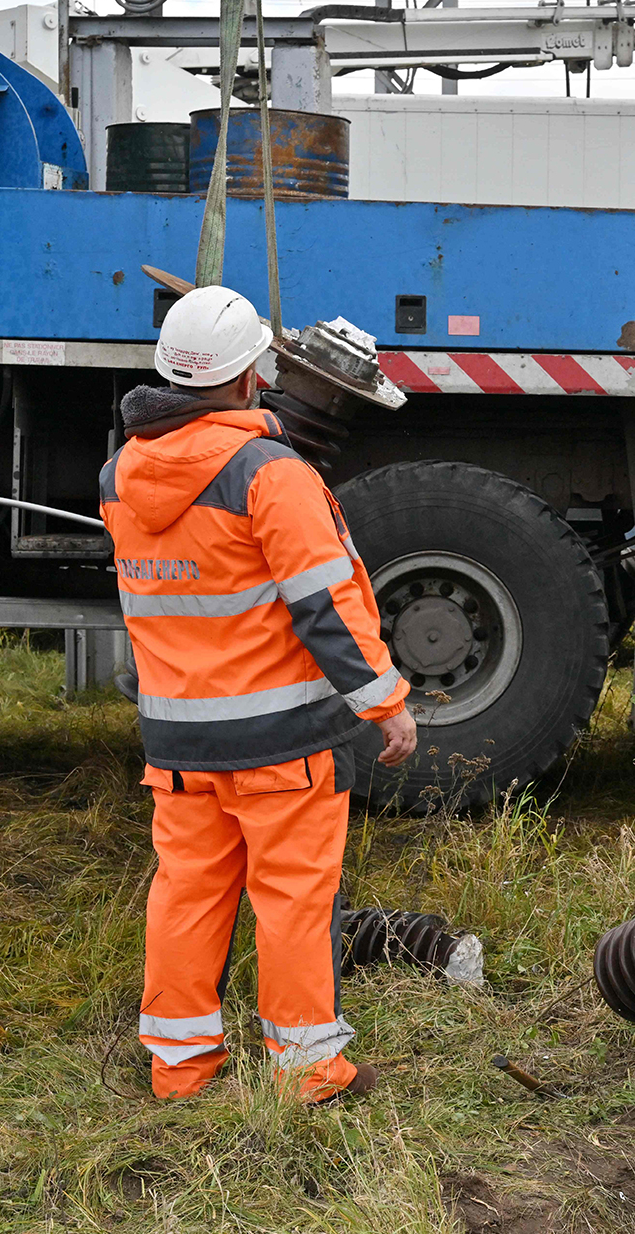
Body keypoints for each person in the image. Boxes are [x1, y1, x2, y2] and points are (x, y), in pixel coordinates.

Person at [100, 285, 417, 1104]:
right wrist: (386, 705)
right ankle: (309, 1073)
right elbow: (327, 604)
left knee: (186, 896)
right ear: (253, 377)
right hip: (284, 745)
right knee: (291, 904)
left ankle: (179, 1068)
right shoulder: (270, 475)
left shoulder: (119, 476)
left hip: (177, 749)